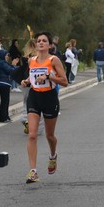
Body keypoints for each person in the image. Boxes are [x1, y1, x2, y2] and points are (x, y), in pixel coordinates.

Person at [21, 32, 68, 184]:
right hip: (34, 97)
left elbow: (64, 81)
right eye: (39, 40)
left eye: (44, 41)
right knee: (32, 135)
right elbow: (33, 77)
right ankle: (33, 171)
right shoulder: (32, 61)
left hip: (49, 98)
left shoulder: (54, 60)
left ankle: (53, 156)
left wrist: (49, 77)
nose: (41, 43)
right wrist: (26, 81)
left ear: (49, 45)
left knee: (49, 136)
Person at [0, 49, 19, 123]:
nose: (7, 57)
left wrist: (12, 65)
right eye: (6, 55)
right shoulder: (2, 63)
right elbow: (10, 71)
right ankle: (3, 117)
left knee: (5, 101)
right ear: (2, 55)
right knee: (5, 101)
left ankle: (6, 116)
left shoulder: (1, 62)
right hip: (3, 83)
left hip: (2, 83)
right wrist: (14, 65)